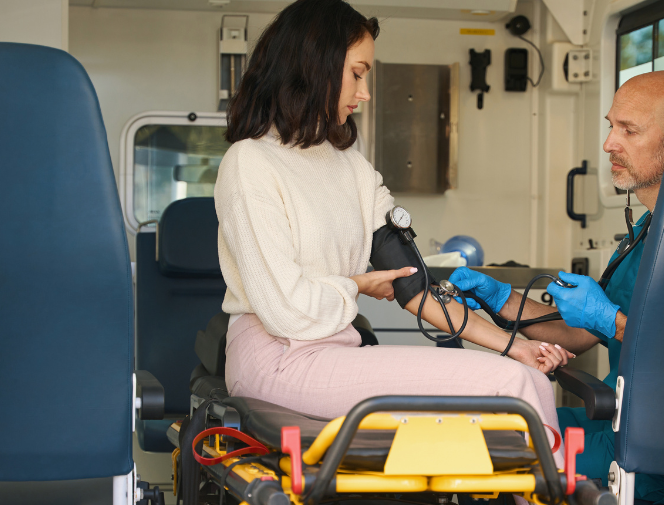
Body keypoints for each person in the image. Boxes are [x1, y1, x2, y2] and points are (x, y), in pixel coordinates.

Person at [213, 0, 571, 453]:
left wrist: (513, 345)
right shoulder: (250, 163)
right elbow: (287, 311)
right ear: (314, 65)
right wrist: (358, 284)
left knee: (527, 378)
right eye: (357, 73)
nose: (364, 92)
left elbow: (415, 288)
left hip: (332, 354)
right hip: (277, 358)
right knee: (510, 387)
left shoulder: (351, 168)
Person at [451, 71, 664, 505]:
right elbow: (581, 334)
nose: (608, 144)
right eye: (610, 125)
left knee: (486, 456)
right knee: (481, 425)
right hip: (617, 423)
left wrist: (608, 319)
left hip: (657, 451)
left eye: (629, 131)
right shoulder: (648, 229)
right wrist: (502, 300)